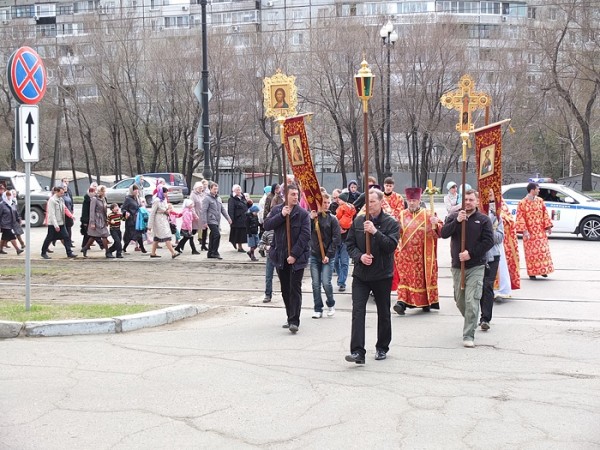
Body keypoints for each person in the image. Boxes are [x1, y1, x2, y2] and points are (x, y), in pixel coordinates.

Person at [345, 188, 400, 364]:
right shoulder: (358, 221)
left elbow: (390, 246)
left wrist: (375, 232)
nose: (369, 205)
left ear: (381, 203)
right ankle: (357, 351)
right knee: (358, 311)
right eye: (367, 202)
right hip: (361, 275)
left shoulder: (390, 223)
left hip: (382, 274)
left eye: (373, 202)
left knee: (383, 312)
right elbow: (350, 245)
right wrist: (359, 256)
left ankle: (382, 347)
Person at [441, 189, 494, 348]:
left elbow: (488, 242)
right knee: (460, 300)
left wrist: (470, 254)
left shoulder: (483, 220)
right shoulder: (454, 216)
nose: (469, 202)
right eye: (466, 199)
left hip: (476, 266)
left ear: (477, 201)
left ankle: (468, 334)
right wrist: (457, 221)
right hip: (457, 266)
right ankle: (471, 318)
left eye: (471, 199)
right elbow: (443, 233)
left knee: (472, 301)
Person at [264, 184, 311, 334]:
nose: (295, 197)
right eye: (292, 194)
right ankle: (289, 315)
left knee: (294, 288)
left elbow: (305, 237)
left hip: (297, 258)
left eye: (297, 194)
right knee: (285, 288)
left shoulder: (303, 214)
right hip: (279, 256)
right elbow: (267, 225)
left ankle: (294, 320)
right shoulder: (278, 210)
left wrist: (294, 255)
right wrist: (281, 216)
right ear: (285, 196)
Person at [393, 187, 442, 315]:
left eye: (414, 200)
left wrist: (436, 224)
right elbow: (395, 232)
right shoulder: (402, 215)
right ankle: (401, 302)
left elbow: (441, 231)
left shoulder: (428, 214)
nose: (412, 203)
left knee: (423, 279)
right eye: (410, 200)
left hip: (423, 254)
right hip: (406, 255)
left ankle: (426, 302)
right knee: (405, 279)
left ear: (419, 201)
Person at [309, 193, 341, 319]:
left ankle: (331, 304)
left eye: (328, 202)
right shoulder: (313, 217)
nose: (327, 205)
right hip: (315, 255)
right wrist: (311, 219)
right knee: (315, 283)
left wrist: (328, 254)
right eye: (324, 203)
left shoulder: (332, 219)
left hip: (328, 256)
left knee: (326, 282)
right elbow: (308, 233)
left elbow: (336, 238)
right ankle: (318, 308)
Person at [516, 182, 554, 280]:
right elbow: (520, 218)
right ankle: (532, 272)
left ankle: (542, 270)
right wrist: (524, 231)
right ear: (532, 190)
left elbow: (545, 214)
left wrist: (548, 227)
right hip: (529, 232)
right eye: (538, 189)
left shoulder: (540, 201)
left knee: (543, 251)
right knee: (531, 253)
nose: (539, 190)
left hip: (540, 231)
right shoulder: (522, 203)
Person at [479, 190, 504, 331]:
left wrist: (487, 230)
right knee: (477, 287)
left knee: (487, 286)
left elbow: (500, 238)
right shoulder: (475, 215)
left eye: (492, 198)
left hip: (492, 256)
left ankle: (485, 318)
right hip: (476, 256)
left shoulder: (497, 217)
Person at [494, 198, 520, 298]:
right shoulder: (479, 202)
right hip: (483, 240)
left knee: (500, 265)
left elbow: (510, 221)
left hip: (497, 240)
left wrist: (499, 217)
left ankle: (501, 290)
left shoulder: (501, 204)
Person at [41, 187, 77, 259]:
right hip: (53, 224)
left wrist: (70, 216)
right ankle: (43, 252)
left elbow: (65, 208)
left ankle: (69, 253)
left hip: (61, 223)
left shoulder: (61, 199)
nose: (62, 194)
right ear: (56, 192)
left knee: (66, 237)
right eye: (61, 193)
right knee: (49, 238)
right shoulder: (52, 200)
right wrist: (56, 225)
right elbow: (52, 214)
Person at [201, 182, 232, 260]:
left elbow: (222, 209)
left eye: (217, 189)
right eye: (214, 189)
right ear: (210, 189)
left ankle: (210, 253)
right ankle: (215, 252)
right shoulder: (207, 198)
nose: (216, 190)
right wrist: (204, 222)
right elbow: (203, 210)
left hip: (217, 220)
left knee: (212, 236)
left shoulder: (218, 198)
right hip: (211, 220)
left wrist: (228, 218)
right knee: (217, 235)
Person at [148, 187, 180, 259]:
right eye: (165, 192)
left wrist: (167, 211)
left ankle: (153, 253)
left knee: (157, 237)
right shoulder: (156, 201)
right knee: (166, 236)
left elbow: (166, 208)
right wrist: (149, 225)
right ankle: (173, 252)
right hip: (158, 220)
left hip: (164, 219)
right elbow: (152, 213)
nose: (166, 194)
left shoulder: (164, 200)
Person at [82, 185, 113, 258]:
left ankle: (85, 248)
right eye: (104, 191)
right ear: (101, 192)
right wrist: (92, 222)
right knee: (104, 235)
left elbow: (104, 211)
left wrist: (106, 220)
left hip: (102, 219)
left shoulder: (103, 199)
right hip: (96, 219)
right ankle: (107, 252)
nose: (105, 193)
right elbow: (91, 211)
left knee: (94, 236)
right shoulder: (94, 199)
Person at [335, 192, 355, 292]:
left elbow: (337, 216)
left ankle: (341, 281)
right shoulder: (351, 208)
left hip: (344, 239)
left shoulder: (341, 208)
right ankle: (341, 278)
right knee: (339, 262)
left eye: (339, 198)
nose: (338, 200)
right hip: (339, 238)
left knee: (342, 261)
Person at [121, 185, 147, 254]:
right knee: (130, 235)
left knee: (137, 234)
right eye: (135, 189)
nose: (136, 191)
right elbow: (123, 208)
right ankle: (124, 248)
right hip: (130, 220)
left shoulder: (136, 198)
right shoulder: (128, 199)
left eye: (137, 189)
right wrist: (126, 213)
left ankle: (142, 248)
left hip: (137, 220)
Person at [0, 190, 24, 255]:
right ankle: (18, 249)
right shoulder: (2, 204)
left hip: (12, 223)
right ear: (5, 196)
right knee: (12, 236)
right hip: (5, 224)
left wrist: (18, 219)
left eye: (9, 195)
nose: (9, 197)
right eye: (7, 195)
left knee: (4, 237)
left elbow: (16, 212)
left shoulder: (12, 203)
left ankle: (0, 249)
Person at [228, 184, 249, 253]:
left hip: (244, 218)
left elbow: (246, 206)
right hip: (237, 218)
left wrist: (250, 204)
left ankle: (236, 243)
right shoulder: (232, 199)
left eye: (239, 189)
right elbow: (231, 210)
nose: (239, 191)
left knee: (242, 233)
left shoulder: (243, 197)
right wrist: (231, 219)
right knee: (238, 233)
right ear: (234, 190)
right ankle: (240, 247)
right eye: (237, 190)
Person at [190, 181, 208, 251]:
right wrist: (195, 215)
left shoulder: (203, 194)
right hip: (196, 215)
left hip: (203, 214)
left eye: (202, 188)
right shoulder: (193, 195)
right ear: (196, 188)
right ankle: (181, 244)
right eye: (200, 188)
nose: (201, 189)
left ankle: (203, 245)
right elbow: (192, 206)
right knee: (193, 231)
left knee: (205, 229)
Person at [260, 228, 275, 302]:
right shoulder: (267, 232)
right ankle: (268, 294)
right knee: (268, 276)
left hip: (282, 257)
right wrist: (266, 247)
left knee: (284, 277)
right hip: (270, 257)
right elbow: (260, 244)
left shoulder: (283, 230)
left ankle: (287, 293)